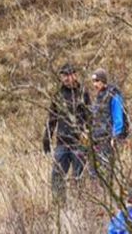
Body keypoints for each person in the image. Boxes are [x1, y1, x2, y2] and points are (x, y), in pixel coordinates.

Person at [43, 64, 91, 203]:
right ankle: (59, 205)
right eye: (63, 75)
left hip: (79, 144)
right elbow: (52, 118)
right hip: (62, 143)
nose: (64, 78)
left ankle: (80, 205)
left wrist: (90, 138)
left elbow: (90, 117)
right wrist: (47, 138)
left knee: (78, 177)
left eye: (67, 75)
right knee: (57, 175)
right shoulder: (58, 95)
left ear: (74, 75)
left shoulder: (83, 93)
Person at [89, 68, 127, 179]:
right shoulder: (99, 97)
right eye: (93, 81)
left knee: (105, 171)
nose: (95, 84)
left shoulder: (114, 96)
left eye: (97, 81)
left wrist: (114, 137)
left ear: (103, 81)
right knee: (94, 172)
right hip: (96, 140)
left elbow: (118, 119)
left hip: (107, 140)